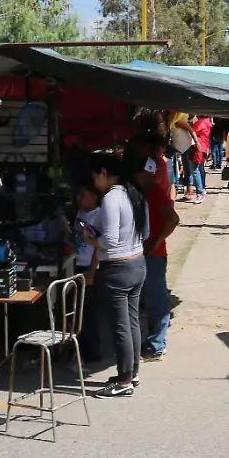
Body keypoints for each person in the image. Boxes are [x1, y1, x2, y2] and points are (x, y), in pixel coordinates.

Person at [88, 154, 150, 399]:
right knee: (132, 322)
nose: (95, 184)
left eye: (95, 178)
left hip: (118, 268)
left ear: (103, 172)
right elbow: (145, 232)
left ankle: (124, 380)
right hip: (138, 263)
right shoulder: (134, 192)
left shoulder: (112, 198)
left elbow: (110, 240)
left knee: (121, 325)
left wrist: (91, 240)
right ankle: (131, 373)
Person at [137, 150, 180, 362]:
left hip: (153, 254)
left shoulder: (153, 192)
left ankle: (156, 345)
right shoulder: (145, 191)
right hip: (147, 252)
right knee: (150, 299)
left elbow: (173, 219)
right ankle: (153, 342)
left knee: (156, 300)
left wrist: (155, 242)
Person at [72, 183, 103, 365]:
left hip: (89, 268)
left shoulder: (98, 216)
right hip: (76, 264)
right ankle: (80, 349)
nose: (79, 199)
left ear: (93, 196)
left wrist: (91, 272)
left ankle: (91, 353)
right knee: (78, 311)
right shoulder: (81, 212)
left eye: (83, 194)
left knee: (88, 313)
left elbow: (98, 248)